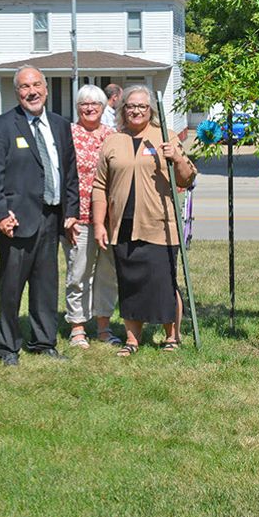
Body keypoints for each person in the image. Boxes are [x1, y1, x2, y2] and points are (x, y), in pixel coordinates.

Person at [0, 66, 79, 366]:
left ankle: (44, 341)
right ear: (17, 92)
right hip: (15, 221)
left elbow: (70, 172)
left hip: (52, 218)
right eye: (25, 87)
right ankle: (8, 346)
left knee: (46, 285)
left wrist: (71, 212)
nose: (31, 91)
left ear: (46, 89)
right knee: (11, 287)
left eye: (37, 85)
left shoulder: (61, 125)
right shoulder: (1, 126)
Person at [92, 85, 195, 357]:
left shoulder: (166, 138)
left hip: (160, 223)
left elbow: (188, 178)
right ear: (122, 110)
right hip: (123, 224)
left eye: (142, 106)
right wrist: (99, 223)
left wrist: (175, 158)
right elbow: (100, 186)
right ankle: (132, 339)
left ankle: (172, 335)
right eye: (130, 106)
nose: (136, 111)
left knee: (163, 281)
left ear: (151, 110)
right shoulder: (113, 141)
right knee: (130, 283)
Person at [63, 84, 119, 348]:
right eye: (84, 104)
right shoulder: (68, 134)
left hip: (109, 218)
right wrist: (68, 215)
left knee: (107, 273)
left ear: (103, 107)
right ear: (77, 108)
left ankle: (104, 326)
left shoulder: (112, 135)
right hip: (79, 218)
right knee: (79, 272)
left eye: (94, 104)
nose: (89, 108)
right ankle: (77, 327)